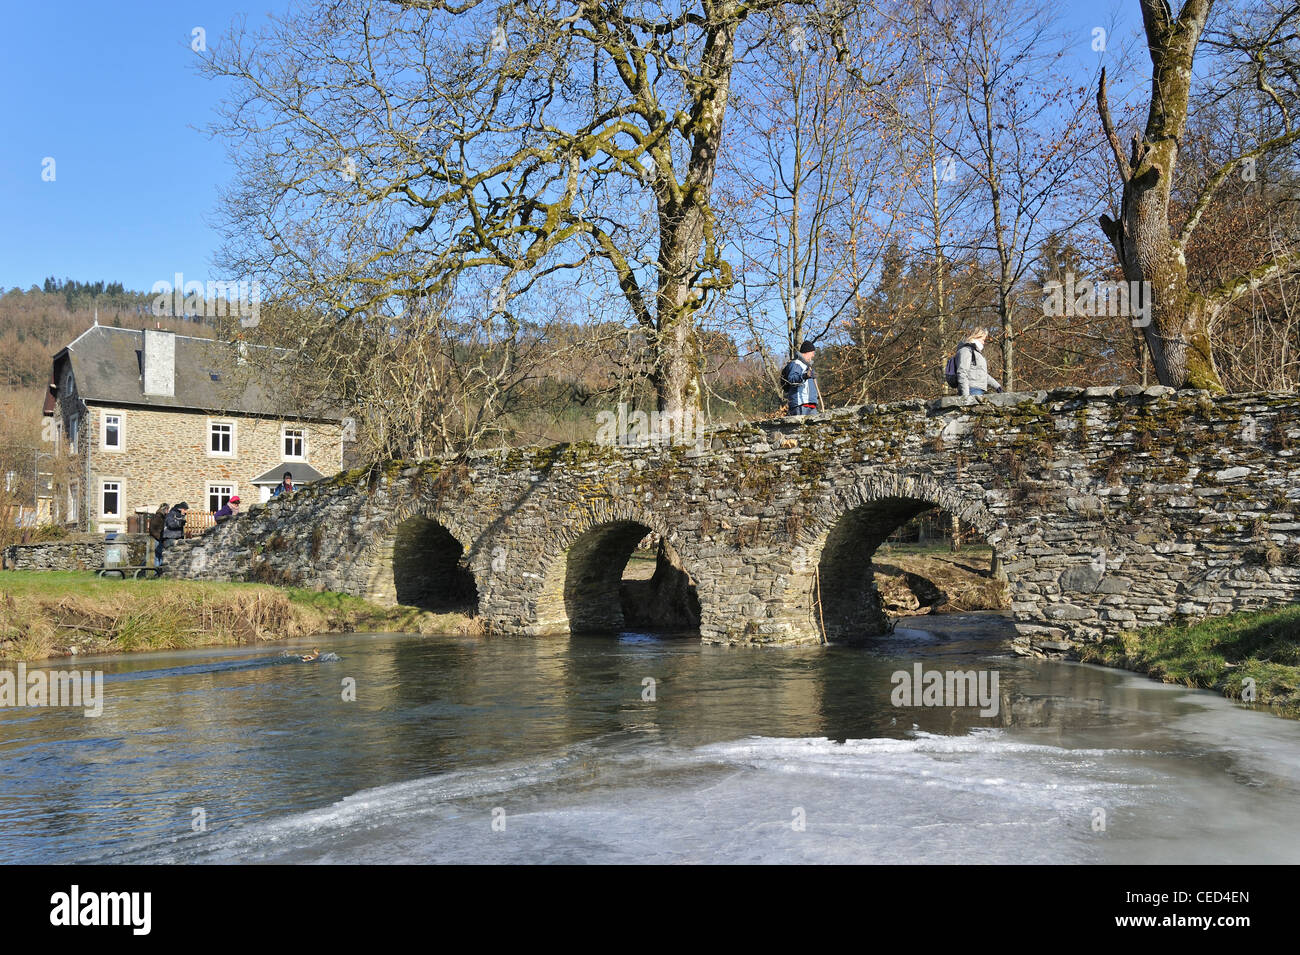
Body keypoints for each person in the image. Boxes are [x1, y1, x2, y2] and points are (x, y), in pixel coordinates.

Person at [956, 329, 1003, 397]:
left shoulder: (976, 352)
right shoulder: (966, 350)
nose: (984, 343)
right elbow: (962, 372)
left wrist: (997, 386)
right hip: (971, 390)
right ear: (976, 337)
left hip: (977, 389)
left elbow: (982, 374)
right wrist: (966, 396)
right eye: (983, 340)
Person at [781, 340, 820, 416]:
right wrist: (804, 376)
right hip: (800, 405)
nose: (813, 356)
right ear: (807, 352)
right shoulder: (796, 364)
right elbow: (791, 380)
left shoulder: (808, 367)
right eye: (813, 353)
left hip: (811, 405)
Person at [158, 501, 189, 566]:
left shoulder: (180, 515)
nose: (186, 511)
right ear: (180, 508)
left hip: (176, 538)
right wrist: (180, 523)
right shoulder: (171, 514)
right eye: (185, 510)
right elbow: (171, 524)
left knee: (176, 558)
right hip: (169, 538)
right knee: (168, 558)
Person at [148, 503, 169, 567]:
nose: (168, 511)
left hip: (160, 539)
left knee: (160, 556)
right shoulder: (157, 517)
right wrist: (159, 537)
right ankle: (156, 572)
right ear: (165, 509)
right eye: (168, 509)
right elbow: (152, 529)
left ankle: (159, 572)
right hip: (157, 539)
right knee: (157, 557)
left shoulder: (162, 517)